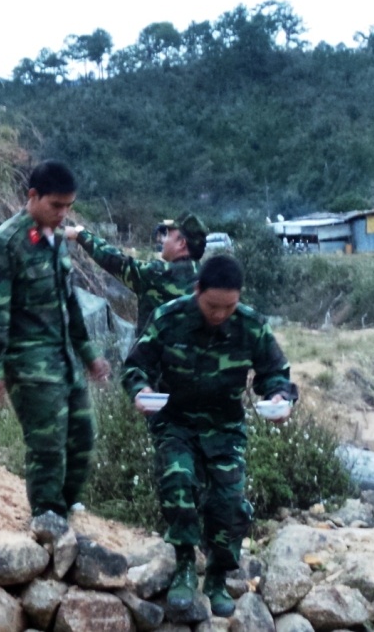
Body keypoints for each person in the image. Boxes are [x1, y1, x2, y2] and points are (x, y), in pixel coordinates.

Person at [120, 254, 296, 617]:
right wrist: (141, 391)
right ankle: (185, 564)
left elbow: (275, 372)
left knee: (228, 503)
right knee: (178, 481)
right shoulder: (169, 318)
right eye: (213, 306)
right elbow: (136, 365)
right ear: (198, 290)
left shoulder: (250, 325)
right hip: (176, 421)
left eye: (229, 307)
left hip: (224, 428)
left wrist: (280, 398)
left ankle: (216, 577)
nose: (220, 314)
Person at [0, 160, 111, 520]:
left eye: (68, 207)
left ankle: (63, 511)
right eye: (56, 205)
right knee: (48, 447)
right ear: (33, 196)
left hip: (64, 360)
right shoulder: (5, 243)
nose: (63, 214)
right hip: (29, 365)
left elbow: (71, 304)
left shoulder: (54, 240)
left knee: (83, 438)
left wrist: (89, 354)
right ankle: (47, 518)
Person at [65, 211, 208, 334]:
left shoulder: (158, 275)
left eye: (168, 235)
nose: (163, 240)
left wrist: (80, 234)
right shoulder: (207, 279)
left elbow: (115, 261)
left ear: (181, 243)